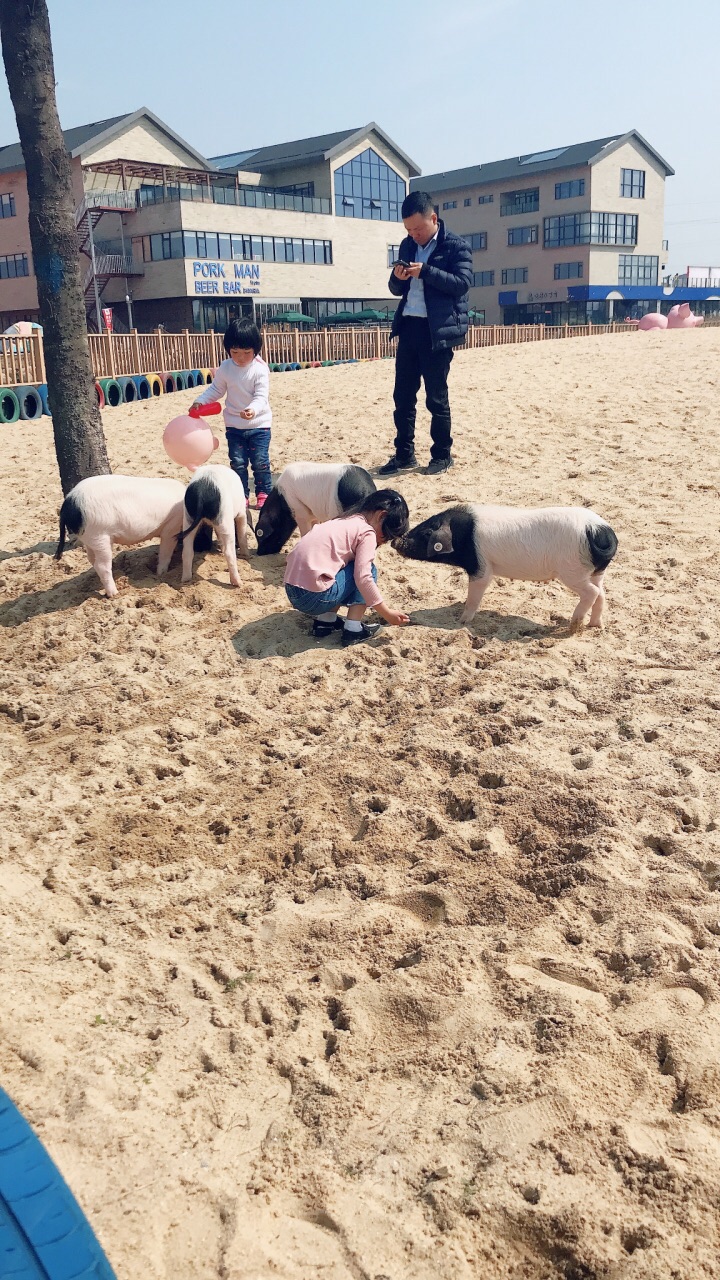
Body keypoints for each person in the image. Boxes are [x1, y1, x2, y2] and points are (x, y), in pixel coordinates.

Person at [380, 191, 473, 478]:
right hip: (409, 326)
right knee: (403, 397)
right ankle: (404, 455)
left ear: (433, 218)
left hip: (437, 332)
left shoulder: (456, 246)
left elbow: (463, 283)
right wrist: (398, 277)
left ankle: (442, 456)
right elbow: (396, 290)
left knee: (436, 398)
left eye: (418, 228)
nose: (413, 234)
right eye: (408, 229)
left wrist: (427, 272)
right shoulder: (407, 246)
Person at [284, 490, 410, 647]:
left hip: (292, 591)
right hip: (316, 597)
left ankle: (325, 622)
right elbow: (363, 578)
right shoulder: (367, 532)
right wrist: (386, 613)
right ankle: (353, 629)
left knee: (338, 565)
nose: (383, 542)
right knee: (369, 570)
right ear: (381, 516)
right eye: (387, 535)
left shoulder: (342, 521)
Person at [192, 317, 272, 509]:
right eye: (235, 352)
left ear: (255, 350)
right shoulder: (226, 368)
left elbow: (261, 396)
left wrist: (252, 410)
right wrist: (201, 401)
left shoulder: (260, 370)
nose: (240, 357)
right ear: (228, 349)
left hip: (259, 425)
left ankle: (264, 493)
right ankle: (241, 494)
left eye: (246, 352)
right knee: (237, 462)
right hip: (234, 425)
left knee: (260, 461)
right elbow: (216, 390)